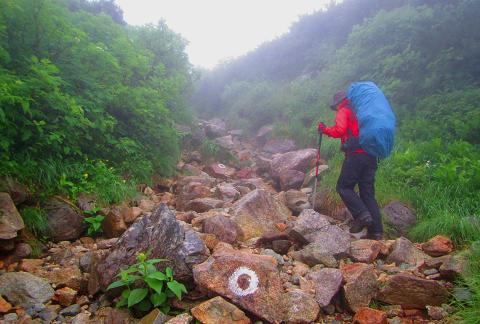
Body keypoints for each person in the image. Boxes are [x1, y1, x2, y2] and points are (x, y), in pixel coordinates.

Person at [318, 91, 383, 240]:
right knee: (367, 193)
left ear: (339, 102)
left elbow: (340, 131)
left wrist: (324, 129)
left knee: (343, 187)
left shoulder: (344, 110)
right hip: (371, 155)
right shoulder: (362, 111)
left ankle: (362, 215)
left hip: (355, 155)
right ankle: (376, 232)